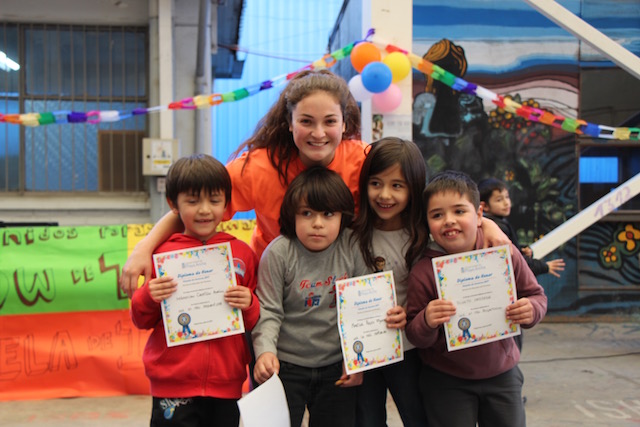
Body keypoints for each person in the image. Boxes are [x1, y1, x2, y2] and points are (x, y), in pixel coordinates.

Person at [119, 69, 367, 298]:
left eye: (330, 121)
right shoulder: (259, 167)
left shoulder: (365, 162)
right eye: (306, 121)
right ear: (290, 123)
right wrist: (144, 248)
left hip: (341, 286)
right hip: (274, 289)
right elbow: (195, 207)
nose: (319, 133)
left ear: (344, 123)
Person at [405, 170, 547, 427]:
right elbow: (415, 335)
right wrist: (426, 320)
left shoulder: (502, 253)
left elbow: (536, 295)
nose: (449, 221)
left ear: (480, 213)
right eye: (437, 215)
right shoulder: (423, 272)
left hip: (502, 376)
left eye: (459, 211)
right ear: (427, 222)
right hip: (446, 381)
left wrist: (531, 310)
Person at [130, 154, 260, 427]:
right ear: (173, 204)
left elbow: (253, 321)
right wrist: (149, 296)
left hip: (226, 384)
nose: (204, 210)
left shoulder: (242, 255)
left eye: (214, 200)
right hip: (172, 383)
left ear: (227, 203)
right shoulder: (161, 256)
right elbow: (141, 319)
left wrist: (249, 303)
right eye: (192, 201)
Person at [251, 167, 376, 427]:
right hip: (285, 366)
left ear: (342, 216)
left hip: (336, 366)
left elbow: (363, 308)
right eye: (307, 213)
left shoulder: (353, 246)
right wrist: (265, 353)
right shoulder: (278, 253)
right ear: (292, 215)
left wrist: (357, 360)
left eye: (328, 214)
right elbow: (269, 311)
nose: (317, 223)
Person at [350, 137, 429, 426]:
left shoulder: (424, 235)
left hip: (409, 349)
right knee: (367, 419)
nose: (384, 194)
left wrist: (410, 312)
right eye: (376, 183)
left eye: (397, 185)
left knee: (418, 416)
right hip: (362, 351)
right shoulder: (350, 234)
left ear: (414, 188)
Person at [478, 177, 565, 277]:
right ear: (484, 206)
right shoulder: (498, 229)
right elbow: (514, 261)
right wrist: (544, 267)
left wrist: (521, 249)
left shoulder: (501, 223)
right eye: (499, 200)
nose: (506, 202)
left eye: (507, 197)